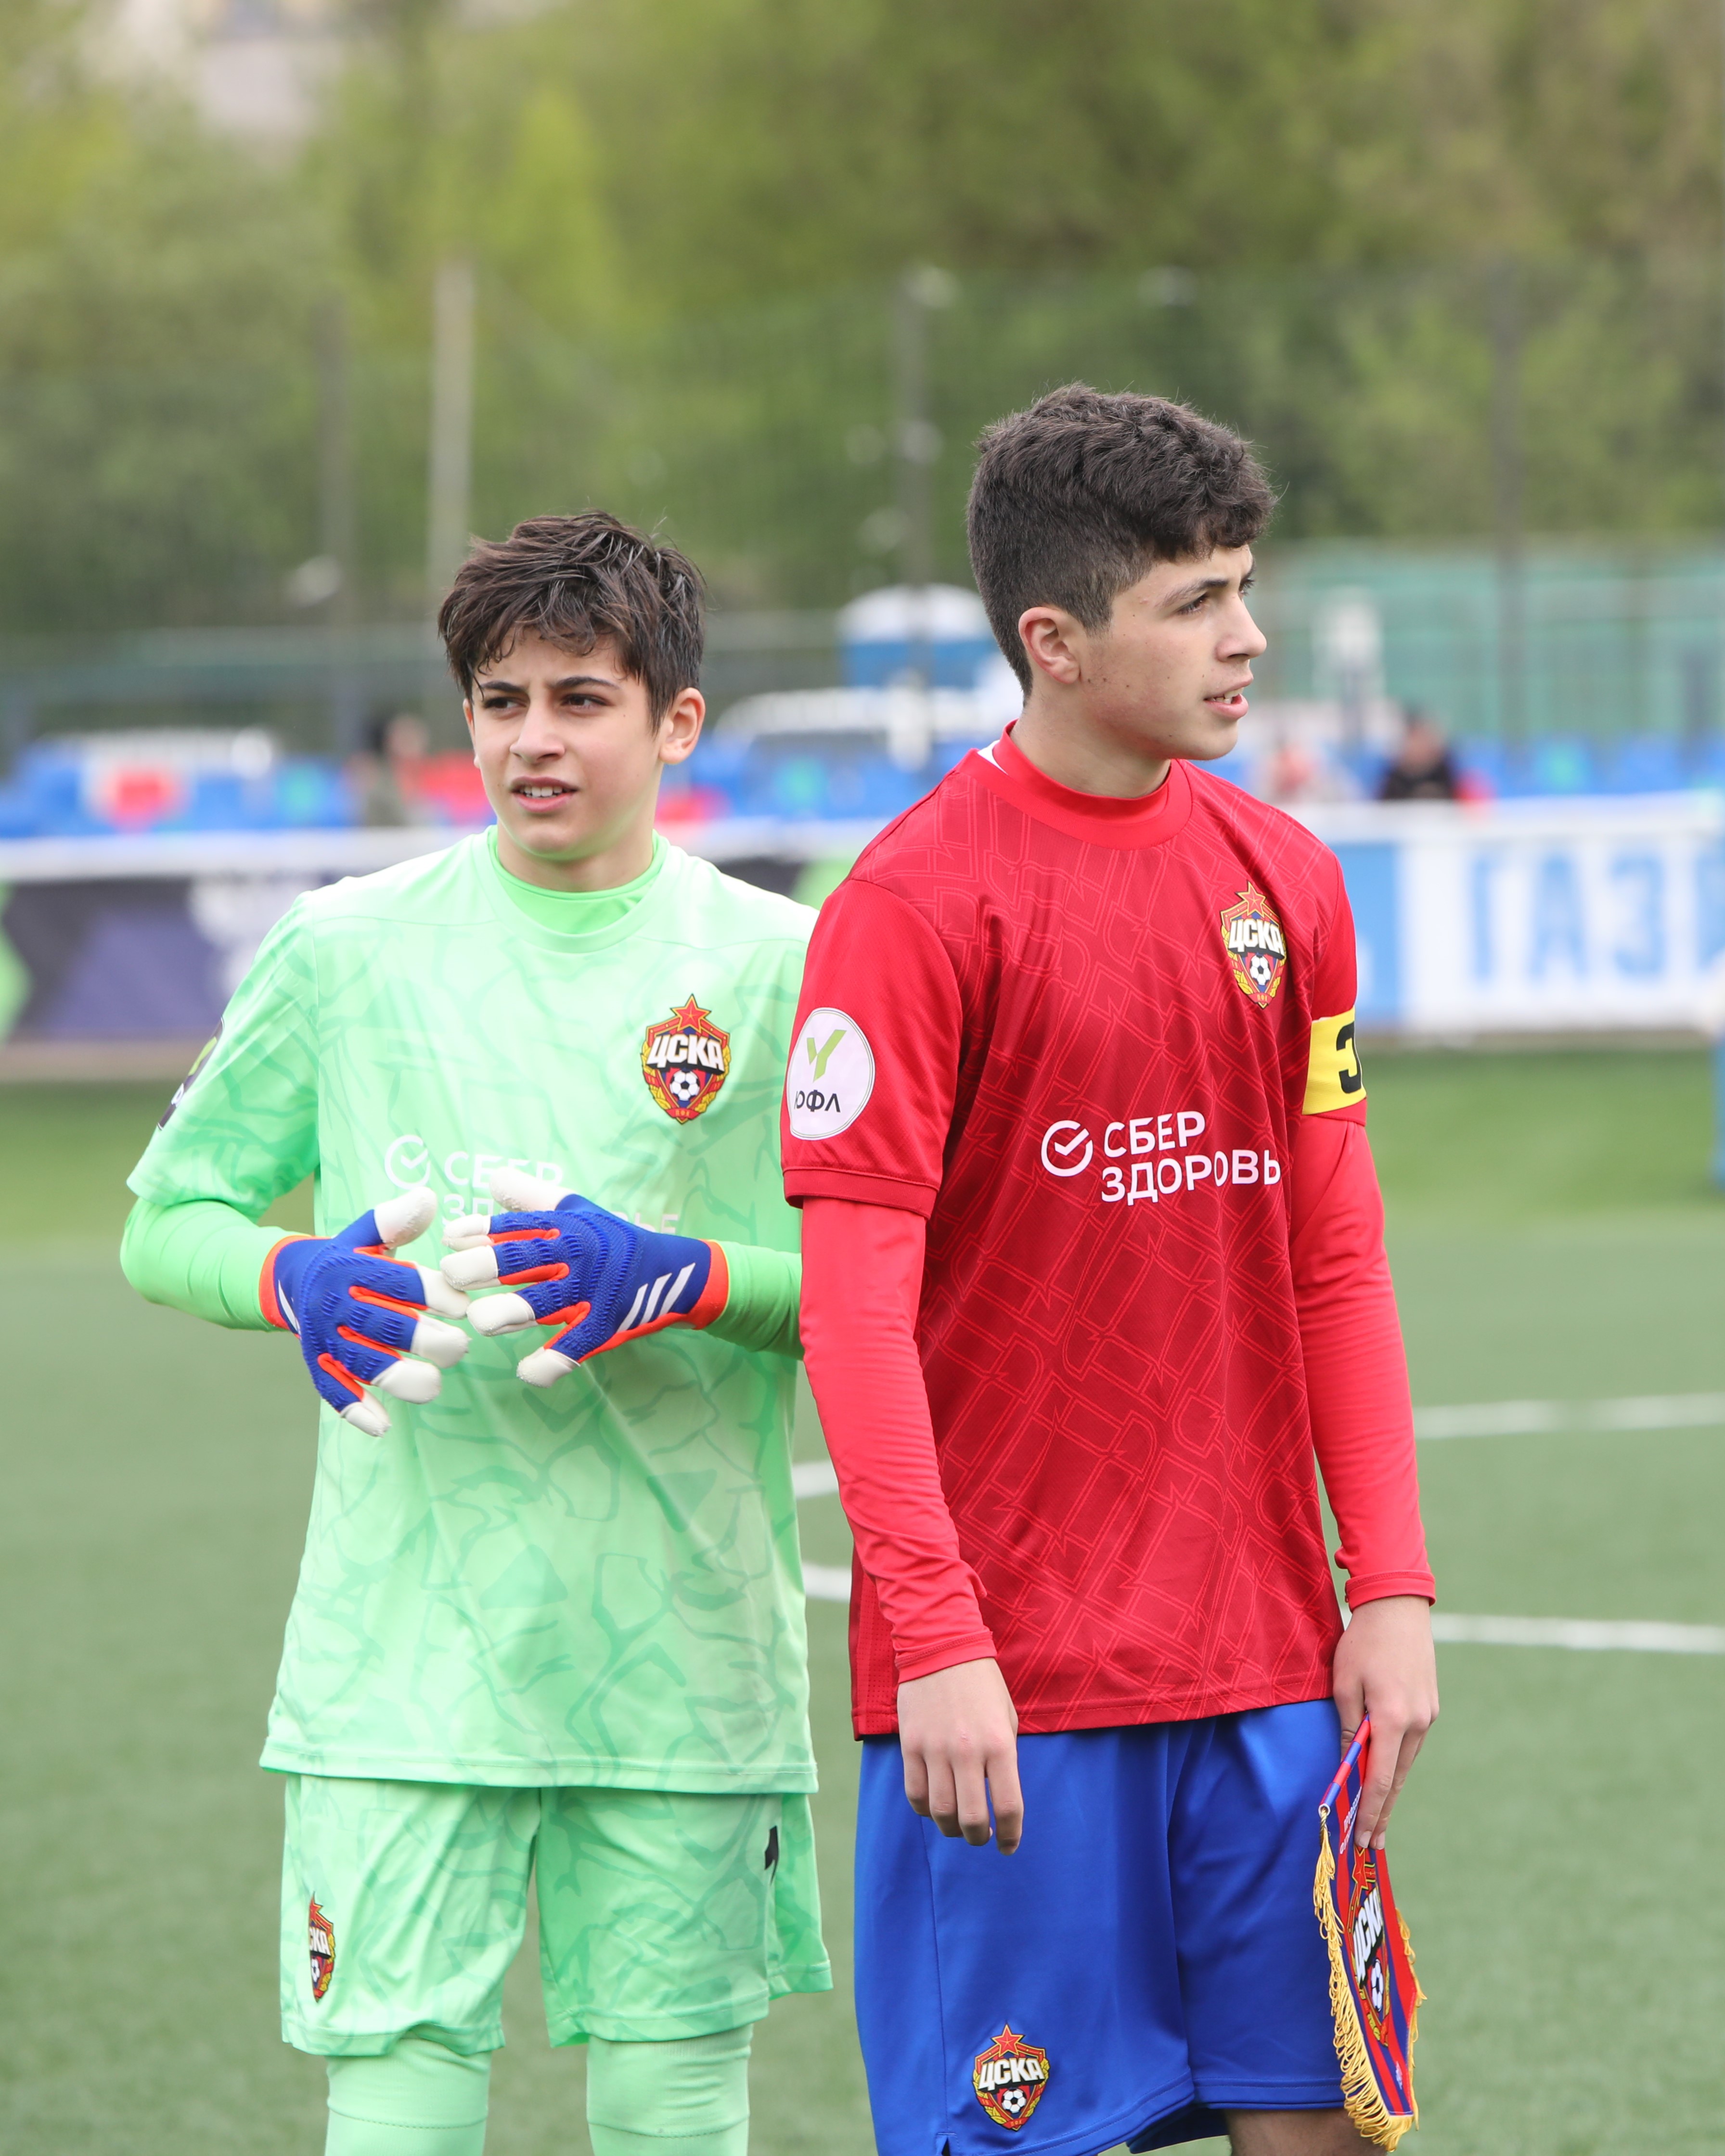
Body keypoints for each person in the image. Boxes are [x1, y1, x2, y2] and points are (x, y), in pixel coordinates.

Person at [120, 513, 828, 2156]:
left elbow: (877, 1287)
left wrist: (686, 1277)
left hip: (684, 1655)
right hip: (403, 1662)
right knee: (399, 2112)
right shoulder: (346, 948)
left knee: (669, 2110)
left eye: (581, 700)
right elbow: (169, 1217)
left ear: (678, 723)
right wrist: (293, 1280)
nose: (532, 742)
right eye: (500, 702)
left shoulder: (781, 966)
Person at [784, 386, 1437, 2156]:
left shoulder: (1285, 880)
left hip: (1266, 1671)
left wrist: (1386, 1585)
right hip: (1013, 1692)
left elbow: (1332, 1254)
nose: (1247, 635)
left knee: (1321, 2126)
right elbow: (851, 1311)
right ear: (1053, 642)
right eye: (1194, 600)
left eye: (1244, 585)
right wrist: (935, 1635)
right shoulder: (909, 908)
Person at [1375, 707, 1461, 802]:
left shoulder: (1447, 772)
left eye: (1423, 739)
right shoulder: (1394, 777)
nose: (1418, 746)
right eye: (1414, 740)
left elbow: (1464, 803)